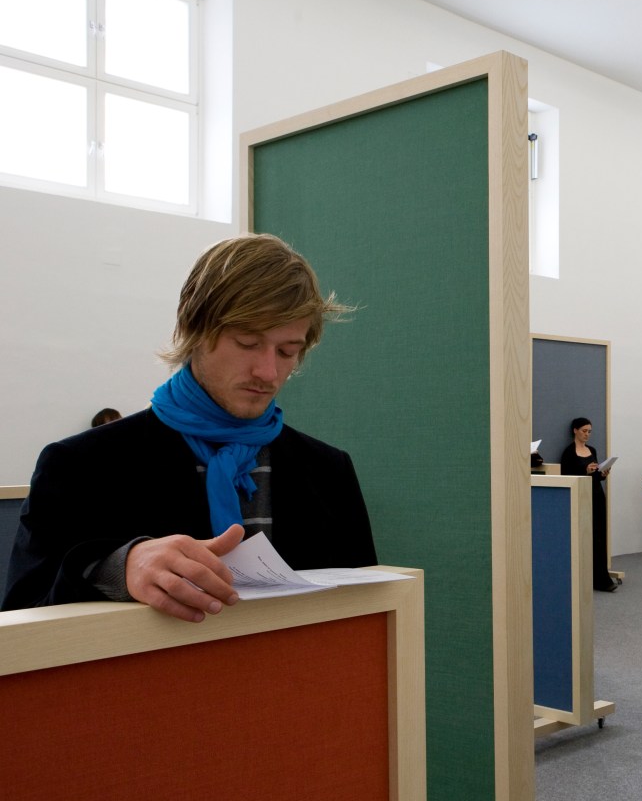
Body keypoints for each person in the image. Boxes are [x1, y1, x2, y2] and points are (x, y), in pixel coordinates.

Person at [4, 234, 377, 619]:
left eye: (287, 351)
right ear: (193, 327)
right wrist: (119, 567)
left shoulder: (329, 471)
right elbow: (20, 617)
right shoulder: (79, 465)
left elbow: (364, 613)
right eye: (247, 342)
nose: (268, 372)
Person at [561, 417, 617, 591]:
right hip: (581, 497)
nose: (587, 434)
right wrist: (584, 470)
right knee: (585, 537)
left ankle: (601, 578)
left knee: (600, 536)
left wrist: (602, 473)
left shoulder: (591, 450)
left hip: (596, 494)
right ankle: (586, 577)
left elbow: (596, 475)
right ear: (575, 430)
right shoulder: (569, 452)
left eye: (589, 431)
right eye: (584, 431)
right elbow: (566, 475)